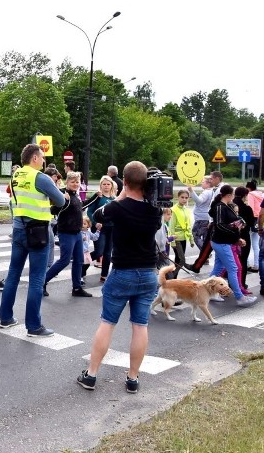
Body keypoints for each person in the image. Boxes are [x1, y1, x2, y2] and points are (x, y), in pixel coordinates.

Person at [76, 161, 162, 394]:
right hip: (147, 274)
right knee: (140, 326)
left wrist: (122, 194)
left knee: (107, 323)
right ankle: (133, 378)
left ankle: (91, 375)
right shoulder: (154, 210)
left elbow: (97, 215)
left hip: (123, 272)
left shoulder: (118, 207)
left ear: (124, 181)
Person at [0, 144, 67, 337]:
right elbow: (61, 201)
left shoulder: (16, 176)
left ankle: (6, 318)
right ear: (35, 158)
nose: (44, 160)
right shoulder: (41, 177)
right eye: (42, 157)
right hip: (38, 232)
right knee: (37, 278)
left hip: (19, 229)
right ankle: (34, 326)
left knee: (13, 274)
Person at [43, 171, 98, 298]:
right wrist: (62, 200)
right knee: (64, 260)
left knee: (79, 261)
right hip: (66, 232)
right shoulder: (62, 193)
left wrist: (96, 196)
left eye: (77, 182)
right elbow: (53, 211)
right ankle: (42, 282)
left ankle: (77, 288)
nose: (75, 184)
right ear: (67, 182)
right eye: (72, 182)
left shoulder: (76, 195)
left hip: (77, 232)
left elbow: (81, 206)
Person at [207, 185, 257, 306]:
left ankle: (209, 292)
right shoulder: (220, 207)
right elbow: (219, 225)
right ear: (229, 195)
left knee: (218, 268)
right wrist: (235, 233)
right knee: (233, 269)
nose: (234, 197)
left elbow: (228, 222)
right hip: (221, 242)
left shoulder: (225, 206)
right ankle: (240, 297)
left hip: (223, 242)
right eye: (233, 195)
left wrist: (238, 225)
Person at [88, 176, 117, 281]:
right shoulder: (97, 197)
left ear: (111, 186)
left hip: (112, 228)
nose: (106, 186)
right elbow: (89, 211)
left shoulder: (114, 198)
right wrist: (95, 223)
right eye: (104, 184)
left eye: (108, 184)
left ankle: (104, 275)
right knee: (99, 251)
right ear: (100, 185)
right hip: (100, 228)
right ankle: (83, 265)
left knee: (108, 253)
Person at [233, 187, 256, 293]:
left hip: (231, 236)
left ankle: (231, 282)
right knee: (243, 261)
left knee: (232, 261)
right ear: (244, 196)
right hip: (244, 237)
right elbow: (251, 224)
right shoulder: (247, 208)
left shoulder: (230, 206)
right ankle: (241, 283)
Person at [169, 189, 193, 276]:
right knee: (182, 260)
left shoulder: (186, 209)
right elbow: (171, 227)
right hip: (176, 238)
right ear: (178, 197)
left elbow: (188, 226)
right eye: (182, 197)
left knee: (178, 260)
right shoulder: (174, 209)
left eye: (186, 198)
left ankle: (174, 278)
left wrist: (191, 239)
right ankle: (171, 276)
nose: (184, 199)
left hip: (184, 238)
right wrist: (172, 241)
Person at [245, 180, 264, 271]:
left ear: (248, 188)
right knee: (256, 244)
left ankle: (247, 263)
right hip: (259, 220)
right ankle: (257, 265)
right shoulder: (262, 194)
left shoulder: (250, 195)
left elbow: (250, 208)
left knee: (247, 243)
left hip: (251, 220)